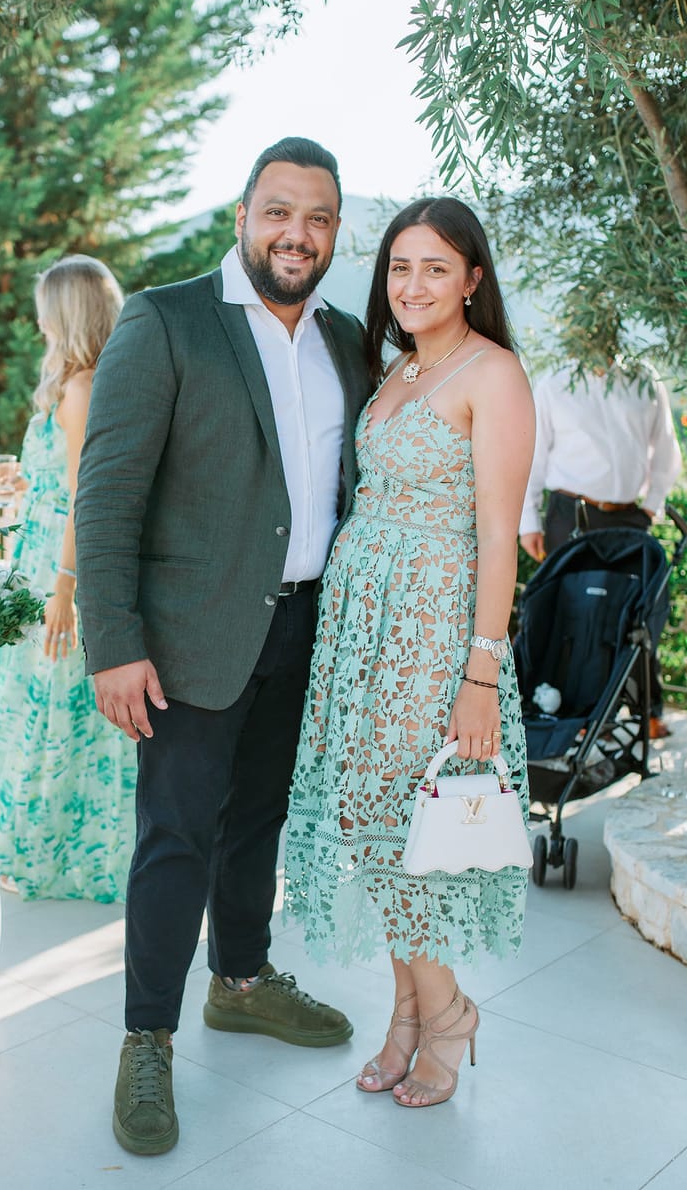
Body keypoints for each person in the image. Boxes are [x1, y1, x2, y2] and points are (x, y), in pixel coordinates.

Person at [74, 138, 373, 1155]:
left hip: (303, 625)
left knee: (259, 822)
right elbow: (106, 490)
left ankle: (240, 981)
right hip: (191, 637)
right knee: (175, 837)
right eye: (280, 211)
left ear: (336, 231)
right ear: (242, 214)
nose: (298, 233)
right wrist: (112, 643)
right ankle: (146, 1036)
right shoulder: (166, 320)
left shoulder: (342, 341)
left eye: (319, 217)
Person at [284, 197, 535, 1108]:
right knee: (368, 819)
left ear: (473, 277)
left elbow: (499, 541)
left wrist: (479, 673)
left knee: (404, 827)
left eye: (436, 267)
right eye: (400, 267)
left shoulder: (493, 375)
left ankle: (449, 1014)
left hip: (434, 637)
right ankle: (410, 1016)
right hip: (362, 631)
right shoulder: (392, 372)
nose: (415, 284)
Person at [0, 255, 138, 901]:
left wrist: (64, 590)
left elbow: (88, 498)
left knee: (56, 712)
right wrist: (20, 486)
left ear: (67, 313)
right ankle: (28, 846)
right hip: (39, 563)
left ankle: (53, 856)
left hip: (63, 575)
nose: (38, 319)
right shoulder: (70, 384)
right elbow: (55, 489)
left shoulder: (86, 387)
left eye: (46, 306)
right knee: (31, 705)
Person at [519, 314, 682, 738]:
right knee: (571, 615)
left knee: (637, 615)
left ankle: (647, 710)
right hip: (570, 517)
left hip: (630, 517)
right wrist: (529, 523)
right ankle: (573, 713)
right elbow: (532, 458)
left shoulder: (644, 379)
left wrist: (650, 508)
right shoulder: (555, 382)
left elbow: (666, 451)